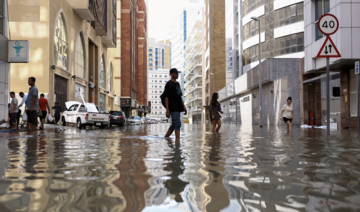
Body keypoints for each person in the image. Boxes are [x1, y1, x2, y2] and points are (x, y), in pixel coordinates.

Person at [163, 68, 187, 139]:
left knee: (174, 124)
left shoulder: (178, 84)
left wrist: (184, 107)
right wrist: (167, 110)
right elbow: (166, 97)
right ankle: (177, 143)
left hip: (178, 107)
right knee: (177, 124)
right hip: (172, 107)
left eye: (178, 73)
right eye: (176, 73)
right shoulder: (168, 84)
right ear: (172, 74)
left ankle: (166, 138)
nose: (177, 75)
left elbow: (179, 96)